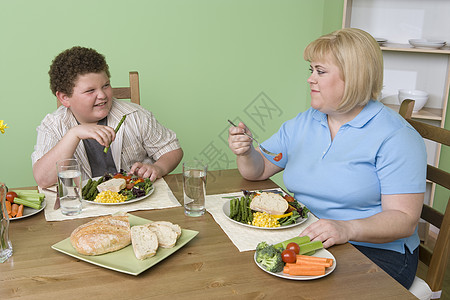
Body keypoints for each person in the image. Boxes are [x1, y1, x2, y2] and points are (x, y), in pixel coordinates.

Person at [228, 28, 426, 289]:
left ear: (354, 77)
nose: (310, 79)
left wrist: (346, 229)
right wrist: (246, 153)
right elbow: (259, 170)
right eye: (310, 70)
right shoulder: (305, 122)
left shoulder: (396, 136)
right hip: (309, 237)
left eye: (320, 72)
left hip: (376, 253)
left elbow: (403, 218)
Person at [32, 46, 183, 188]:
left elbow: (172, 150)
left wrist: (158, 167)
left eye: (106, 85)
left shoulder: (135, 115)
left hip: (134, 201)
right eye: (90, 91)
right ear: (65, 98)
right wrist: (74, 134)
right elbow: (44, 179)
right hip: (83, 209)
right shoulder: (53, 125)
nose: (102, 95)